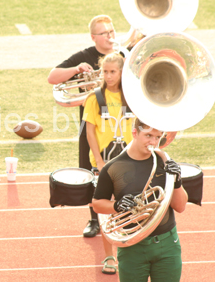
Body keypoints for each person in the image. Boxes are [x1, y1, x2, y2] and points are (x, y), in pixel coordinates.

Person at [92, 118, 188, 282]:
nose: (153, 142)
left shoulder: (164, 163)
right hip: (132, 247)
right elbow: (97, 204)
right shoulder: (114, 167)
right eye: (148, 135)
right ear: (135, 133)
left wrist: (177, 181)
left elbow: (180, 207)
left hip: (167, 244)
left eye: (158, 137)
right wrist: (117, 206)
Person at [47, 15, 117, 238]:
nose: (110, 36)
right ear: (93, 37)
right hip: (91, 125)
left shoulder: (123, 56)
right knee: (92, 172)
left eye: (112, 31)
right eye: (104, 33)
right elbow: (53, 77)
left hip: (121, 124)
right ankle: (94, 220)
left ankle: (123, 216)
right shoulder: (85, 55)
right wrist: (76, 69)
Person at [82, 52, 133, 274]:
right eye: (105, 71)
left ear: (122, 72)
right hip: (104, 162)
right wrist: (100, 161)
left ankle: (131, 251)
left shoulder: (133, 96)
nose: (109, 76)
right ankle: (109, 256)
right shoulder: (95, 98)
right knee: (106, 210)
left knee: (134, 206)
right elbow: (90, 133)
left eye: (113, 72)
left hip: (131, 160)